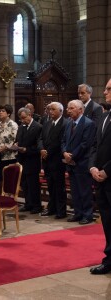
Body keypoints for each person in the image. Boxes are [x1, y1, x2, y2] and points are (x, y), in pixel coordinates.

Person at [89, 79, 111, 275]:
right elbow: (95, 146)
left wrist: (107, 170)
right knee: (107, 220)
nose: (104, 92)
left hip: (109, 176)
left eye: (109, 89)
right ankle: (109, 259)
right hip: (101, 180)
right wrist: (93, 167)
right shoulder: (104, 117)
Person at [61, 99, 96, 225]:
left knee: (84, 191)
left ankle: (87, 215)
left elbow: (85, 144)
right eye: (68, 108)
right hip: (71, 163)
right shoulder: (69, 123)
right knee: (75, 191)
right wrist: (64, 152)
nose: (68, 111)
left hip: (82, 163)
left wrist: (72, 156)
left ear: (80, 110)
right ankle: (78, 213)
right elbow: (63, 141)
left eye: (71, 108)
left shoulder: (88, 123)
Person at [38, 102, 68, 219]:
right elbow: (40, 138)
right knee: (51, 186)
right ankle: (52, 208)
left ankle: (61, 211)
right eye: (50, 109)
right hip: (46, 160)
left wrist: (47, 151)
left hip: (56, 160)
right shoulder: (46, 123)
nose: (51, 112)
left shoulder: (64, 124)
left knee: (59, 187)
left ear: (61, 111)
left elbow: (60, 141)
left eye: (53, 110)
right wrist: (41, 149)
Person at [16, 107, 42, 214]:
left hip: (32, 160)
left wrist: (27, 149)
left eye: (24, 118)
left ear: (30, 115)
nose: (22, 121)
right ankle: (28, 204)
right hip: (22, 160)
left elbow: (39, 145)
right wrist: (16, 145)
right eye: (21, 119)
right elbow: (18, 140)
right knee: (25, 184)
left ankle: (36, 205)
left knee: (33, 185)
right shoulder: (21, 127)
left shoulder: (38, 127)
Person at [0, 104, 18, 192]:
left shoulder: (13, 125)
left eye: (3, 111)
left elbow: (15, 142)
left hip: (10, 156)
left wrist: (6, 147)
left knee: (8, 180)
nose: (0, 113)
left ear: (9, 113)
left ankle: (9, 198)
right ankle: (0, 197)